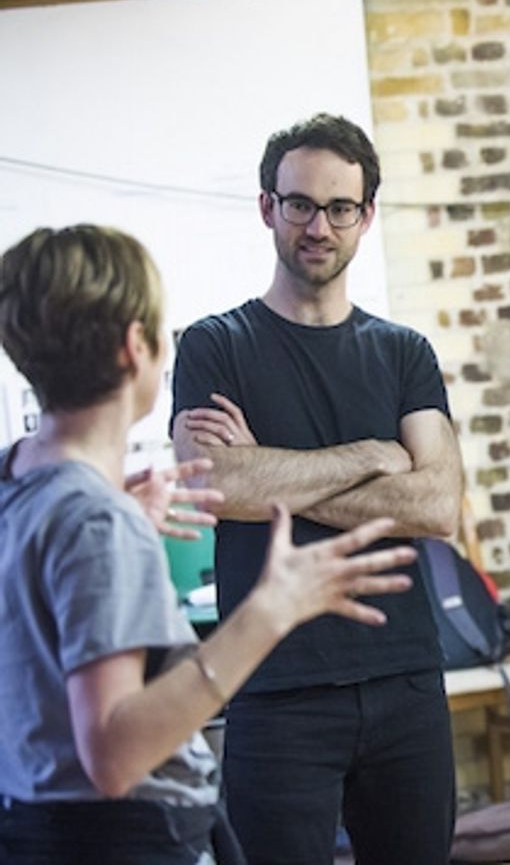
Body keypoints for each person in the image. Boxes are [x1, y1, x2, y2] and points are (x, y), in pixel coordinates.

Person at [0, 224, 417, 864]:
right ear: (135, 346)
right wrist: (270, 611)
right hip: (116, 842)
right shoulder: (92, 519)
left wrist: (115, 528)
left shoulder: (21, 481)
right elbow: (114, 756)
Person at [170, 114, 465, 865]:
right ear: (268, 207)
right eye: (299, 203)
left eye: (340, 208)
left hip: (404, 680)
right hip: (273, 685)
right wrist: (372, 455)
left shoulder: (405, 354)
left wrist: (267, 473)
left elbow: (436, 507)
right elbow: (212, 483)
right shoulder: (215, 346)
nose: (318, 226)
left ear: (366, 216)